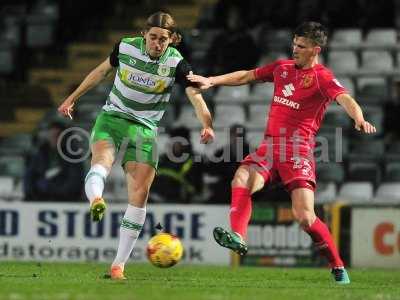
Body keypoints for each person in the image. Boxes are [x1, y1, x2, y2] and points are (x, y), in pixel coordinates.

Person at [187, 21, 377, 284]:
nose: (294, 49)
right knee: (241, 178)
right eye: (294, 43)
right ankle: (239, 236)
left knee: (304, 217)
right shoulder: (281, 68)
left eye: (301, 46)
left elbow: (346, 98)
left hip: (297, 152)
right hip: (269, 147)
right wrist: (211, 81)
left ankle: (337, 266)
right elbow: (245, 76)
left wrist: (358, 118)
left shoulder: (322, 77)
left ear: (315, 50)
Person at [58, 12, 214, 280]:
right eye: (152, 37)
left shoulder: (176, 63)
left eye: (162, 39)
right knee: (101, 162)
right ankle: (97, 199)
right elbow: (100, 71)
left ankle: (118, 266)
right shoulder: (126, 46)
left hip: (144, 129)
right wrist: (72, 98)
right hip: (112, 117)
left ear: (172, 40)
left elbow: (193, 93)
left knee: (140, 194)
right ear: (144, 35)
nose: (156, 43)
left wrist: (207, 123)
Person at [24, 120, 85, 201]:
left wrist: (52, 190)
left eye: (57, 135)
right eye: (51, 135)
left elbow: (74, 181)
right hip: (40, 199)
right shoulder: (40, 154)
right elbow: (29, 177)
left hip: (66, 200)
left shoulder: (73, 155)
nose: (54, 138)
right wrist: (33, 192)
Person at [151, 126, 205, 203]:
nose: (175, 144)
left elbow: (195, 185)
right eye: (173, 141)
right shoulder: (163, 158)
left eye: (179, 142)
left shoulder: (195, 159)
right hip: (159, 197)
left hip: (183, 198)